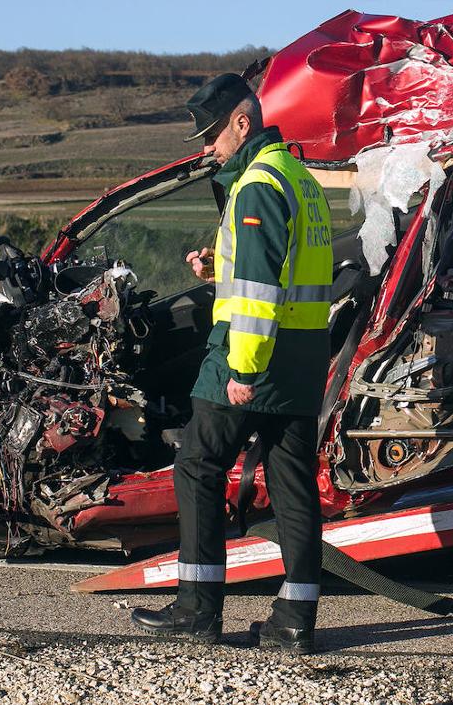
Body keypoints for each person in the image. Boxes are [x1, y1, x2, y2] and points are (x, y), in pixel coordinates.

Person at [130, 73, 334, 654]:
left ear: (242, 123)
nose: (206, 148)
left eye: (212, 135)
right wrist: (217, 270)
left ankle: (197, 607)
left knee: (197, 464)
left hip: (254, 352)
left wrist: (242, 369)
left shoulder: (257, 185)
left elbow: (259, 291)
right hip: (302, 352)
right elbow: (281, 270)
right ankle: (295, 618)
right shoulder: (298, 177)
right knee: (293, 483)